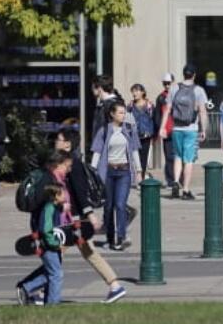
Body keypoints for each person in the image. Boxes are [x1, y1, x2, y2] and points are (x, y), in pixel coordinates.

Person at [52, 132, 127, 304]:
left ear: (68, 145)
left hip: (73, 218)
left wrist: (90, 214)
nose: (56, 141)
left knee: (55, 253)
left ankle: (42, 290)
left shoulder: (73, 165)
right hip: (74, 218)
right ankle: (115, 286)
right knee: (88, 252)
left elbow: (80, 192)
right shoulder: (65, 163)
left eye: (59, 139)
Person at [91, 100, 142, 249]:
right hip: (108, 172)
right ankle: (109, 237)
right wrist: (93, 173)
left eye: (124, 112)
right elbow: (97, 152)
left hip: (124, 172)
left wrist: (139, 171)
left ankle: (121, 237)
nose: (123, 115)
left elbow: (134, 151)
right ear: (112, 114)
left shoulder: (129, 130)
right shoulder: (104, 131)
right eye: (120, 113)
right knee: (108, 206)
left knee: (120, 204)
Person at [159, 64, 209, 199]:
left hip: (176, 128)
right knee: (189, 160)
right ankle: (186, 189)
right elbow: (203, 111)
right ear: (194, 75)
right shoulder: (198, 90)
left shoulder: (174, 88)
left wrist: (162, 127)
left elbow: (167, 109)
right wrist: (203, 129)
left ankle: (175, 182)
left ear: (183, 74)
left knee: (177, 157)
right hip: (191, 129)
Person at [16, 182, 66, 306]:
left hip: (51, 246)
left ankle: (26, 288)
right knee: (56, 274)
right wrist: (54, 243)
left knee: (50, 273)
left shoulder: (54, 208)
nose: (65, 195)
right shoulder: (49, 208)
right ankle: (52, 304)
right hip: (48, 247)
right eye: (63, 193)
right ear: (56, 195)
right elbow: (46, 229)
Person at [153, 72, 177, 188]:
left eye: (169, 83)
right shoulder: (161, 98)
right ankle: (170, 180)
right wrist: (158, 129)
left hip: (179, 129)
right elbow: (157, 115)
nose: (167, 86)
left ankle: (178, 179)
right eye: (165, 83)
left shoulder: (179, 95)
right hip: (167, 130)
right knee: (169, 157)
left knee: (178, 156)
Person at [128, 84, 157, 181]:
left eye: (136, 91)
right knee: (134, 157)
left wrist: (155, 134)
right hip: (134, 134)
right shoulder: (130, 105)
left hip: (146, 134)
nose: (134, 93)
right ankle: (137, 177)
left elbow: (154, 119)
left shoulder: (149, 105)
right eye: (133, 91)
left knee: (144, 157)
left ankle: (142, 177)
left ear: (142, 92)